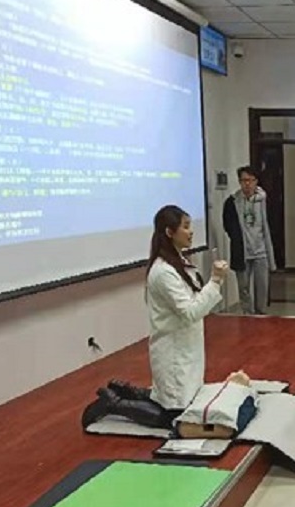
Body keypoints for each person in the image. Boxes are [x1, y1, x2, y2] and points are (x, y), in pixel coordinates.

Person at [82, 206, 230, 428]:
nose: (191, 232)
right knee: (174, 417)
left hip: (186, 347)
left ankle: (131, 392)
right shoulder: (163, 272)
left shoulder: (179, 262)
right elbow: (190, 312)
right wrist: (216, 281)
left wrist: (213, 283)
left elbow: (195, 301)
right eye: (185, 227)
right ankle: (113, 403)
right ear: (170, 232)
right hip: (173, 351)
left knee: (176, 399)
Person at [222, 166, 276, 315]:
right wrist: (238, 239)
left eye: (251, 180)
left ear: (256, 181)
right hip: (242, 252)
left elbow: (271, 224)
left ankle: (261, 313)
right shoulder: (232, 202)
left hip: (261, 251)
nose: (247, 184)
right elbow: (227, 225)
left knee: (262, 286)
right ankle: (248, 314)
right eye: (244, 180)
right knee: (243, 287)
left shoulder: (264, 200)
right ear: (239, 182)